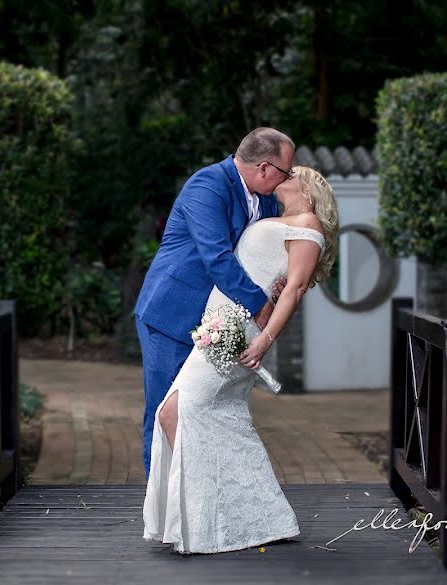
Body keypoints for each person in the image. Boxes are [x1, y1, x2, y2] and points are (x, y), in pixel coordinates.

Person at [142, 166, 339, 554]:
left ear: (308, 190)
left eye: (293, 172)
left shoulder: (309, 223)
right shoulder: (275, 215)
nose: (286, 173)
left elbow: (295, 288)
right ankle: (259, 516)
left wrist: (265, 339)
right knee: (221, 417)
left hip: (237, 326)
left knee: (175, 411)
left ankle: (210, 515)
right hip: (220, 319)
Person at [134, 127, 295, 478]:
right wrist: (262, 305)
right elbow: (218, 257)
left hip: (219, 319)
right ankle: (162, 507)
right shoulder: (207, 186)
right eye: (287, 171)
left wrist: (275, 283)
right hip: (172, 314)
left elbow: (255, 254)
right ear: (265, 168)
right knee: (165, 407)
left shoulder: (266, 199)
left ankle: (204, 495)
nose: (289, 179)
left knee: (203, 407)